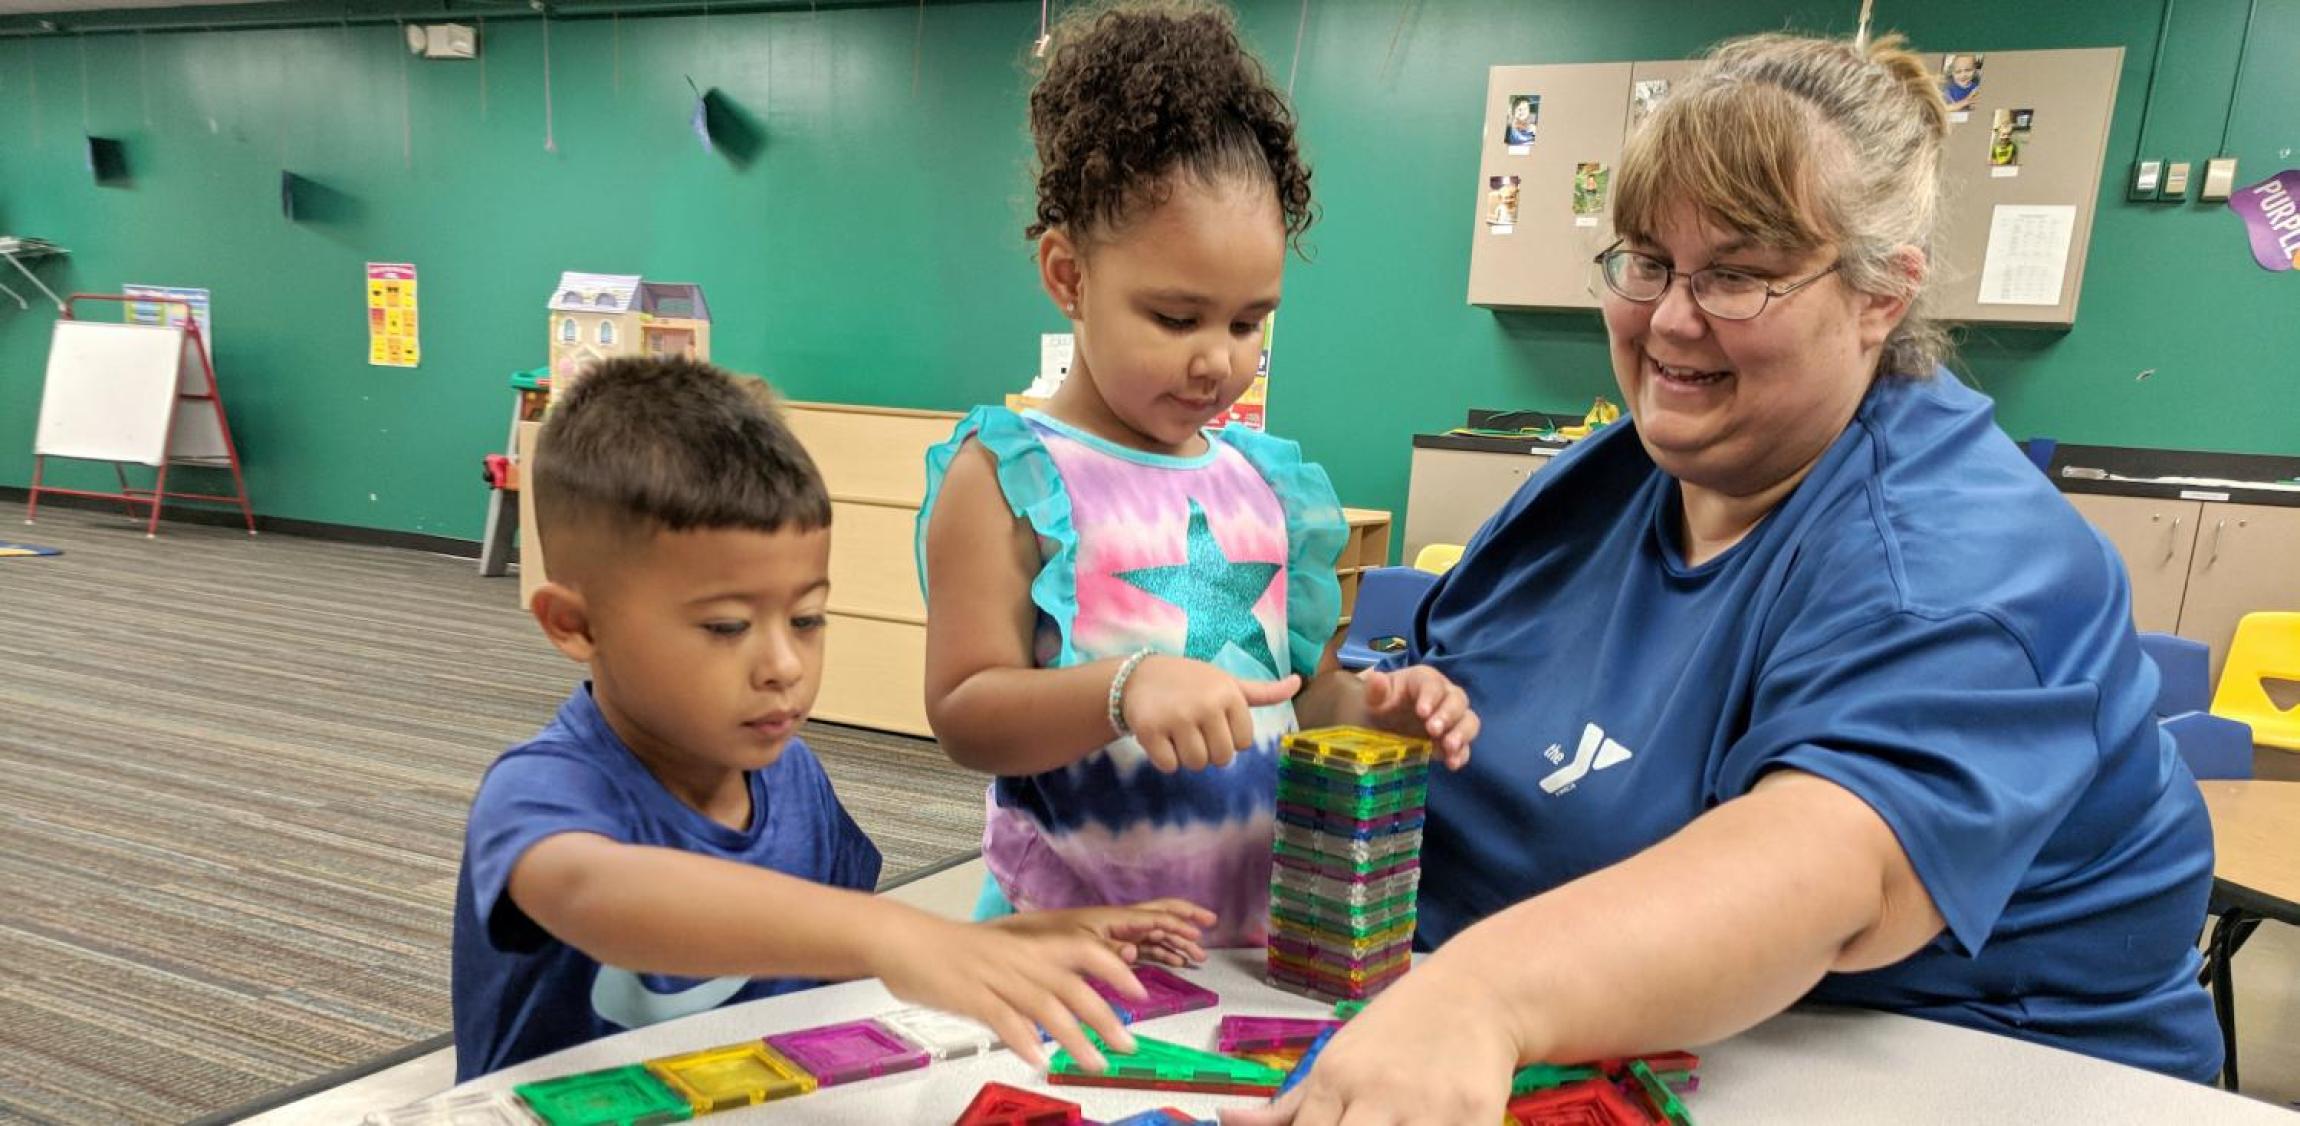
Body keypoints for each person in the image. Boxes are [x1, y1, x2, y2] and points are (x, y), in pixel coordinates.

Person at [1232, 31, 2218, 1125]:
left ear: (1880, 294)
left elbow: (1822, 878)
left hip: (1952, 1078)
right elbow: (1426, 722)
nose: (1667, 319)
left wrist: (1480, 996)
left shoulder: (1961, 562)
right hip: (1562, 1050)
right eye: (1644, 260)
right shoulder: (1593, 490)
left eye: (1736, 275)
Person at [451, 357, 1212, 1079]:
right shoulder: (541, 790)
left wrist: (1005, 943)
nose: (783, 664)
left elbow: (820, 957)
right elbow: (593, 894)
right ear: (575, 625)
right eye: (725, 627)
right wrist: (893, 932)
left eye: (808, 620)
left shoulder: (792, 779)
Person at [918, 0, 1477, 949]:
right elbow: (966, 715)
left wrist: (1384, 705)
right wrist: (1122, 688)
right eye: (1176, 319)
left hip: (1251, 943)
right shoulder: (1012, 474)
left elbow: (1295, 699)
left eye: (1248, 322)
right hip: (1075, 940)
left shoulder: (1266, 485)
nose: (1217, 359)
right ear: (1068, 276)